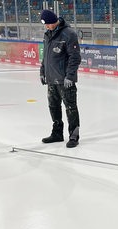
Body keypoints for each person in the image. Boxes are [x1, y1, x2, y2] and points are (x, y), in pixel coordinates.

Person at [39, 9, 82, 148]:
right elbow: (45, 56)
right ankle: (57, 133)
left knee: (70, 107)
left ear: (54, 21)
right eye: (45, 25)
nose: (46, 27)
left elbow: (75, 57)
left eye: (48, 24)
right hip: (51, 78)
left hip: (65, 80)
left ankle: (74, 135)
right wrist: (42, 71)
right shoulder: (48, 34)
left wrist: (70, 76)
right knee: (53, 107)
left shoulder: (68, 34)